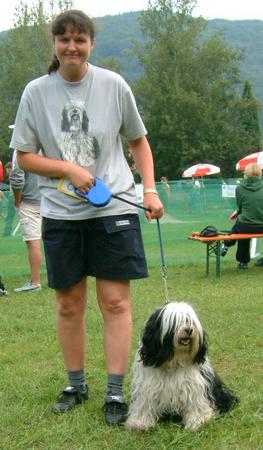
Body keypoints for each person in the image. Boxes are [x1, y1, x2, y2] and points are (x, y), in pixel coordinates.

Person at [10, 10, 164, 425]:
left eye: (80, 40)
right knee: (68, 304)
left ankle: (115, 393)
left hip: (113, 208)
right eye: (64, 40)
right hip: (61, 214)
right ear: (55, 44)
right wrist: (68, 170)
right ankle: (75, 385)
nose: (72, 47)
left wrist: (148, 189)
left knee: (115, 302)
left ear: (91, 44)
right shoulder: (36, 92)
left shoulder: (113, 85)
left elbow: (139, 142)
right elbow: (23, 156)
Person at [9, 151, 42, 292]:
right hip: (49, 200)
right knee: (53, 240)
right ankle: (59, 279)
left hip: (29, 201)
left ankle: (35, 283)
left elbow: (17, 179)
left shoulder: (20, 150)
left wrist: (17, 202)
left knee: (33, 241)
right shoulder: (44, 145)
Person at [221, 163, 263, 269]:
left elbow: (240, 207)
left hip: (246, 226)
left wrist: (238, 213)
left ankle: (242, 261)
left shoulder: (239, 189)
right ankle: (226, 244)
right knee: (241, 221)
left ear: (246, 174)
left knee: (241, 225)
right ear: (260, 174)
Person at [2, 162, 16, 237]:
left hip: (14, 197)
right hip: (12, 197)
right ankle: (7, 232)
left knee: (11, 215)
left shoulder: (14, 176)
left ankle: (7, 232)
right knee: (10, 216)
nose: (6, 171)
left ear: (10, 168)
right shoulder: (11, 177)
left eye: (7, 169)